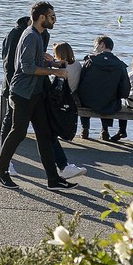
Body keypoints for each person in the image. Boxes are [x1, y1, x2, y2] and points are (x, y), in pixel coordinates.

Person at [0, 1, 74, 191]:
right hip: (23, 93)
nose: (55, 20)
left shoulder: (37, 35)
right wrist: (54, 73)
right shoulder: (30, 36)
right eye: (53, 17)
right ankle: (1, 172)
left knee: (45, 135)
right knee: (18, 132)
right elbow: (27, 67)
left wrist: (55, 64)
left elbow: (36, 62)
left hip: (35, 93)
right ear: (42, 17)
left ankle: (53, 180)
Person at [76, 36, 130, 140]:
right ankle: (105, 130)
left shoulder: (91, 61)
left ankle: (85, 128)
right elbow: (125, 90)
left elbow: (81, 81)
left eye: (95, 45)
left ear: (102, 45)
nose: (94, 48)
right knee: (111, 98)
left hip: (88, 101)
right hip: (110, 103)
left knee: (83, 97)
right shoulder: (120, 65)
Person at [50, 42, 86, 180]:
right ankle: (63, 166)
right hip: (72, 96)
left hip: (61, 99)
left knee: (48, 135)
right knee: (48, 136)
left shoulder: (62, 68)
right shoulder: (77, 64)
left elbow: (56, 86)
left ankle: (62, 167)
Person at [0, 16, 32, 143]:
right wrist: (11, 83)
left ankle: (6, 147)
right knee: (10, 116)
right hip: (15, 83)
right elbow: (9, 62)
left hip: (14, 82)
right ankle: (4, 148)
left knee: (11, 116)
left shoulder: (14, 34)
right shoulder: (19, 35)